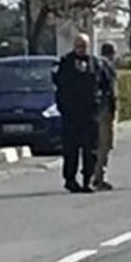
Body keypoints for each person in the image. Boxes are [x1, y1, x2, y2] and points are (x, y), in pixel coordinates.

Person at [54, 33, 111, 194]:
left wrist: (102, 104)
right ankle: (70, 180)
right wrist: (63, 107)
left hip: (90, 113)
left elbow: (106, 85)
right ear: (74, 46)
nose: (81, 49)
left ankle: (88, 180)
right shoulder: (65, 63)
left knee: (91, 149)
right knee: (70, 149)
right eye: (78, 46)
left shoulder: (96, 64)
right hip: (71, 114)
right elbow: (58, 84)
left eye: (84, 46)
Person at [93, 42, 118, 191]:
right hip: (104, 109)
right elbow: (110, 89)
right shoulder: (107, 66)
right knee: (104, 144)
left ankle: (93, 174)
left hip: (94, 109)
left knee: (96, 143)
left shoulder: (95, 64)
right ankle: (98, 176)